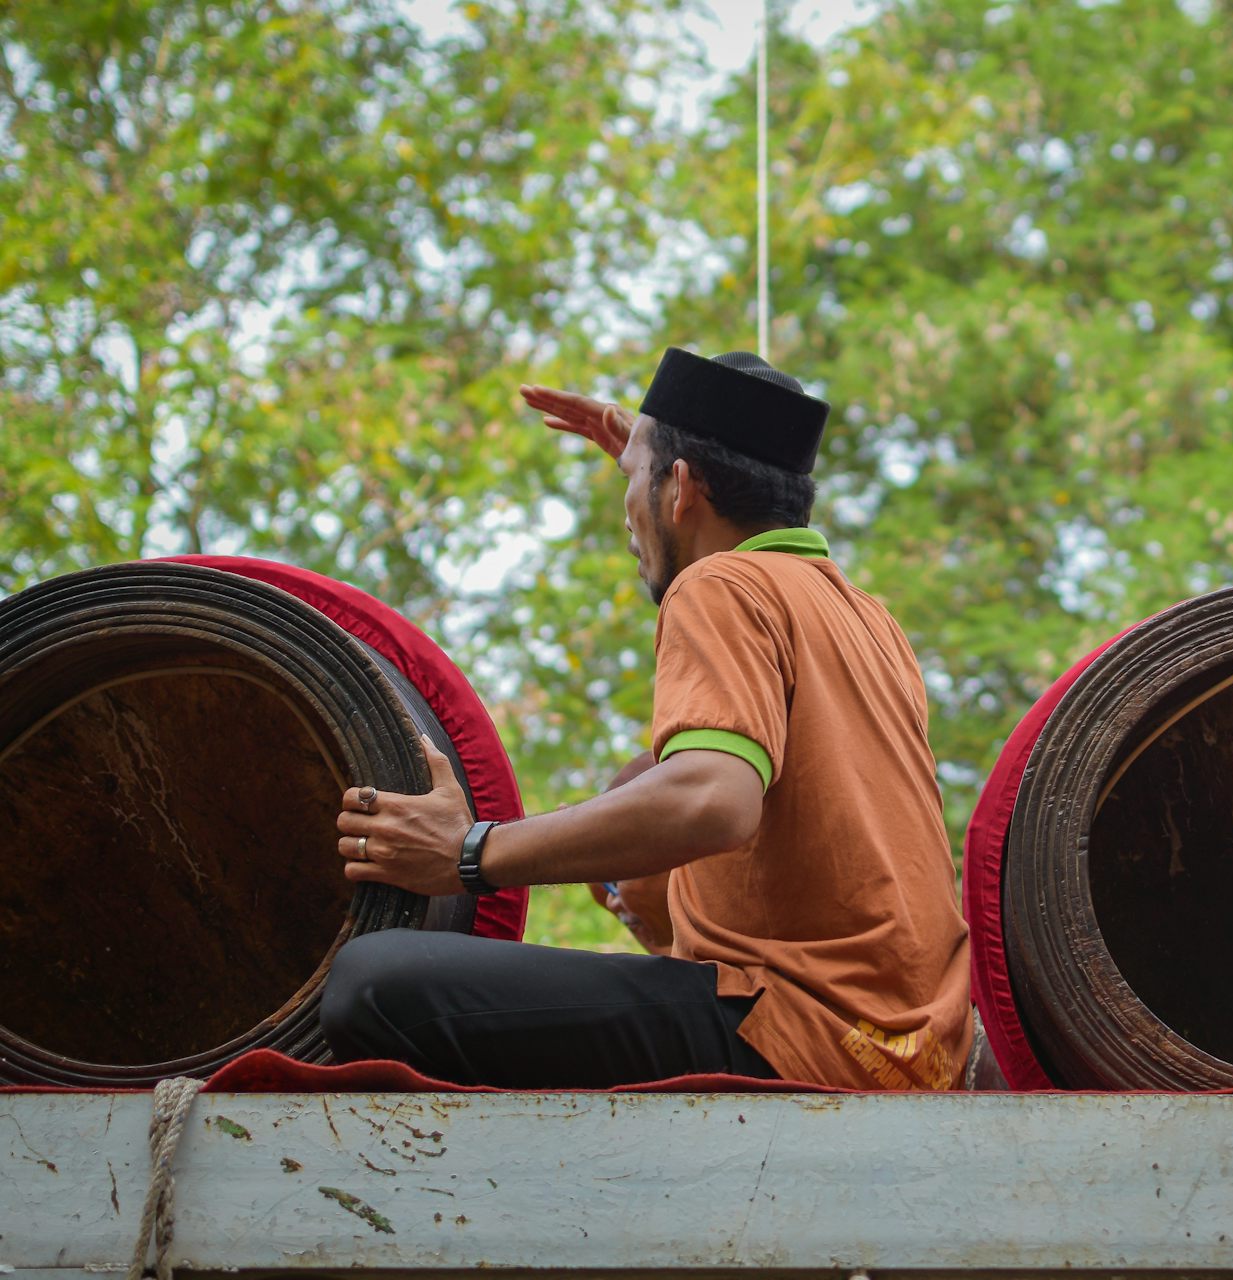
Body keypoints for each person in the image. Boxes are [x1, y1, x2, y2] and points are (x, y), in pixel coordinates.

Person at [320, 347, 972, 1090]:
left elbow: (712, 799)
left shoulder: (718, 584)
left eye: (634, 478)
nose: (625, 513)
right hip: (917, 1047)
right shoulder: (867, 619)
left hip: (799, 1027)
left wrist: (470, 851)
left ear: (682, 490)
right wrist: (656, 458)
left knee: (371, 980)